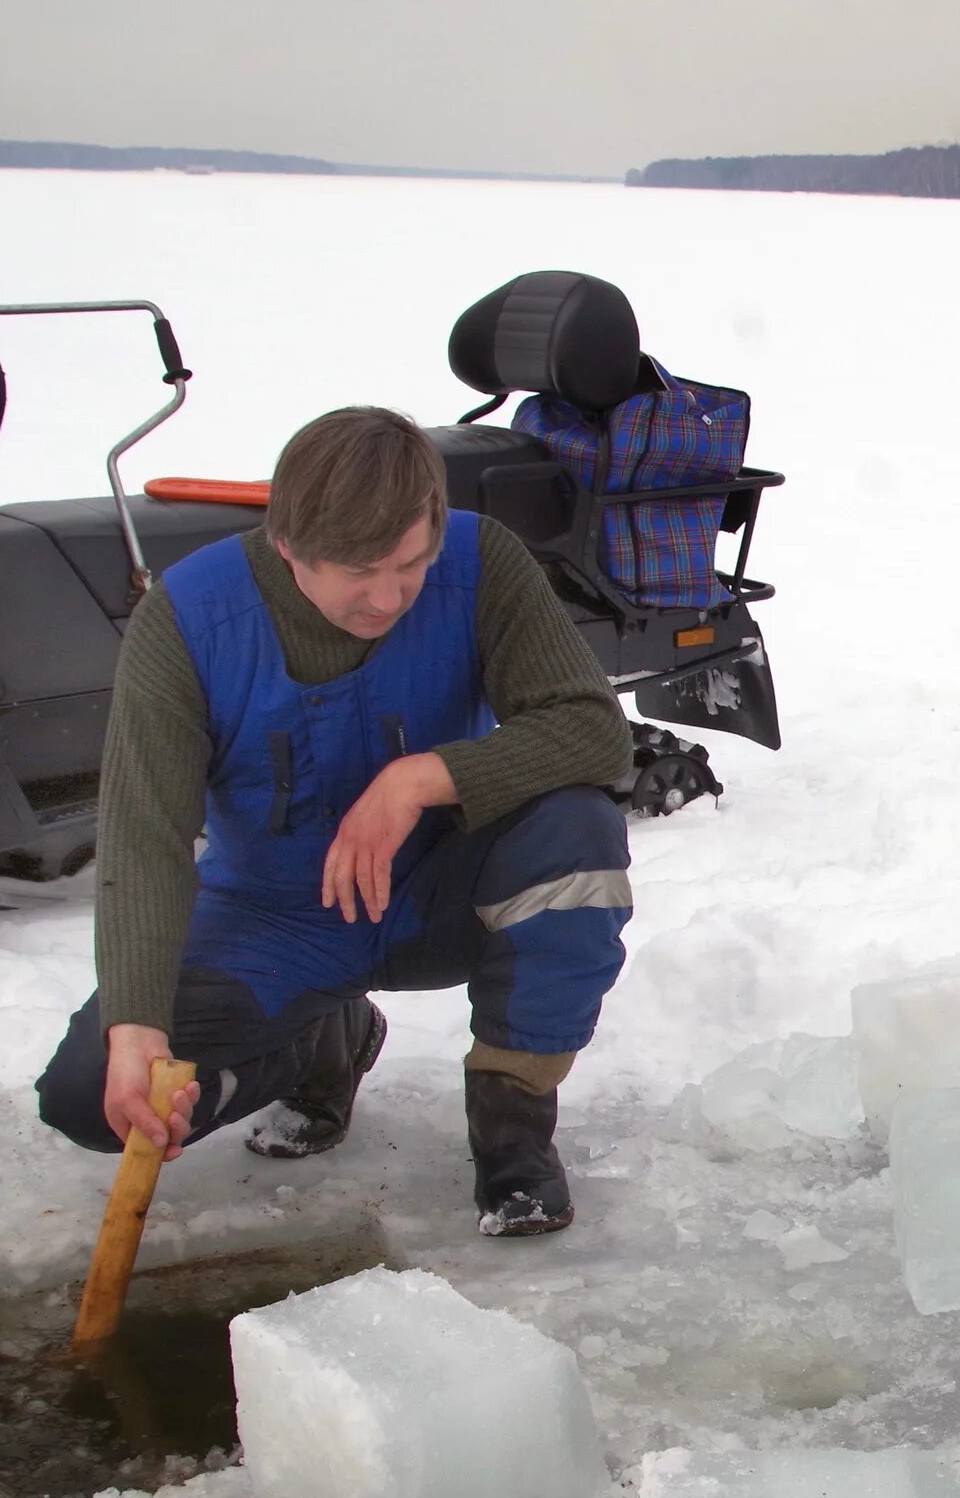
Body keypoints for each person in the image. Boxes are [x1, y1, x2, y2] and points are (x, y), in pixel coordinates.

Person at [36, 406, 635, 1235]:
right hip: (273, 920)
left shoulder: (481, 559)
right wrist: (135, 1025)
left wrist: (420, 779)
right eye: (360, 570)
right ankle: (322, 1044)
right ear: (287, 543)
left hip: (435, 893)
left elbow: (594, 732)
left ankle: (514, 1136)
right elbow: (147, 838)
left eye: (411, 563)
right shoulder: (188, 619)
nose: (389, 596)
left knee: (578, 830)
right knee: (87, 1099)